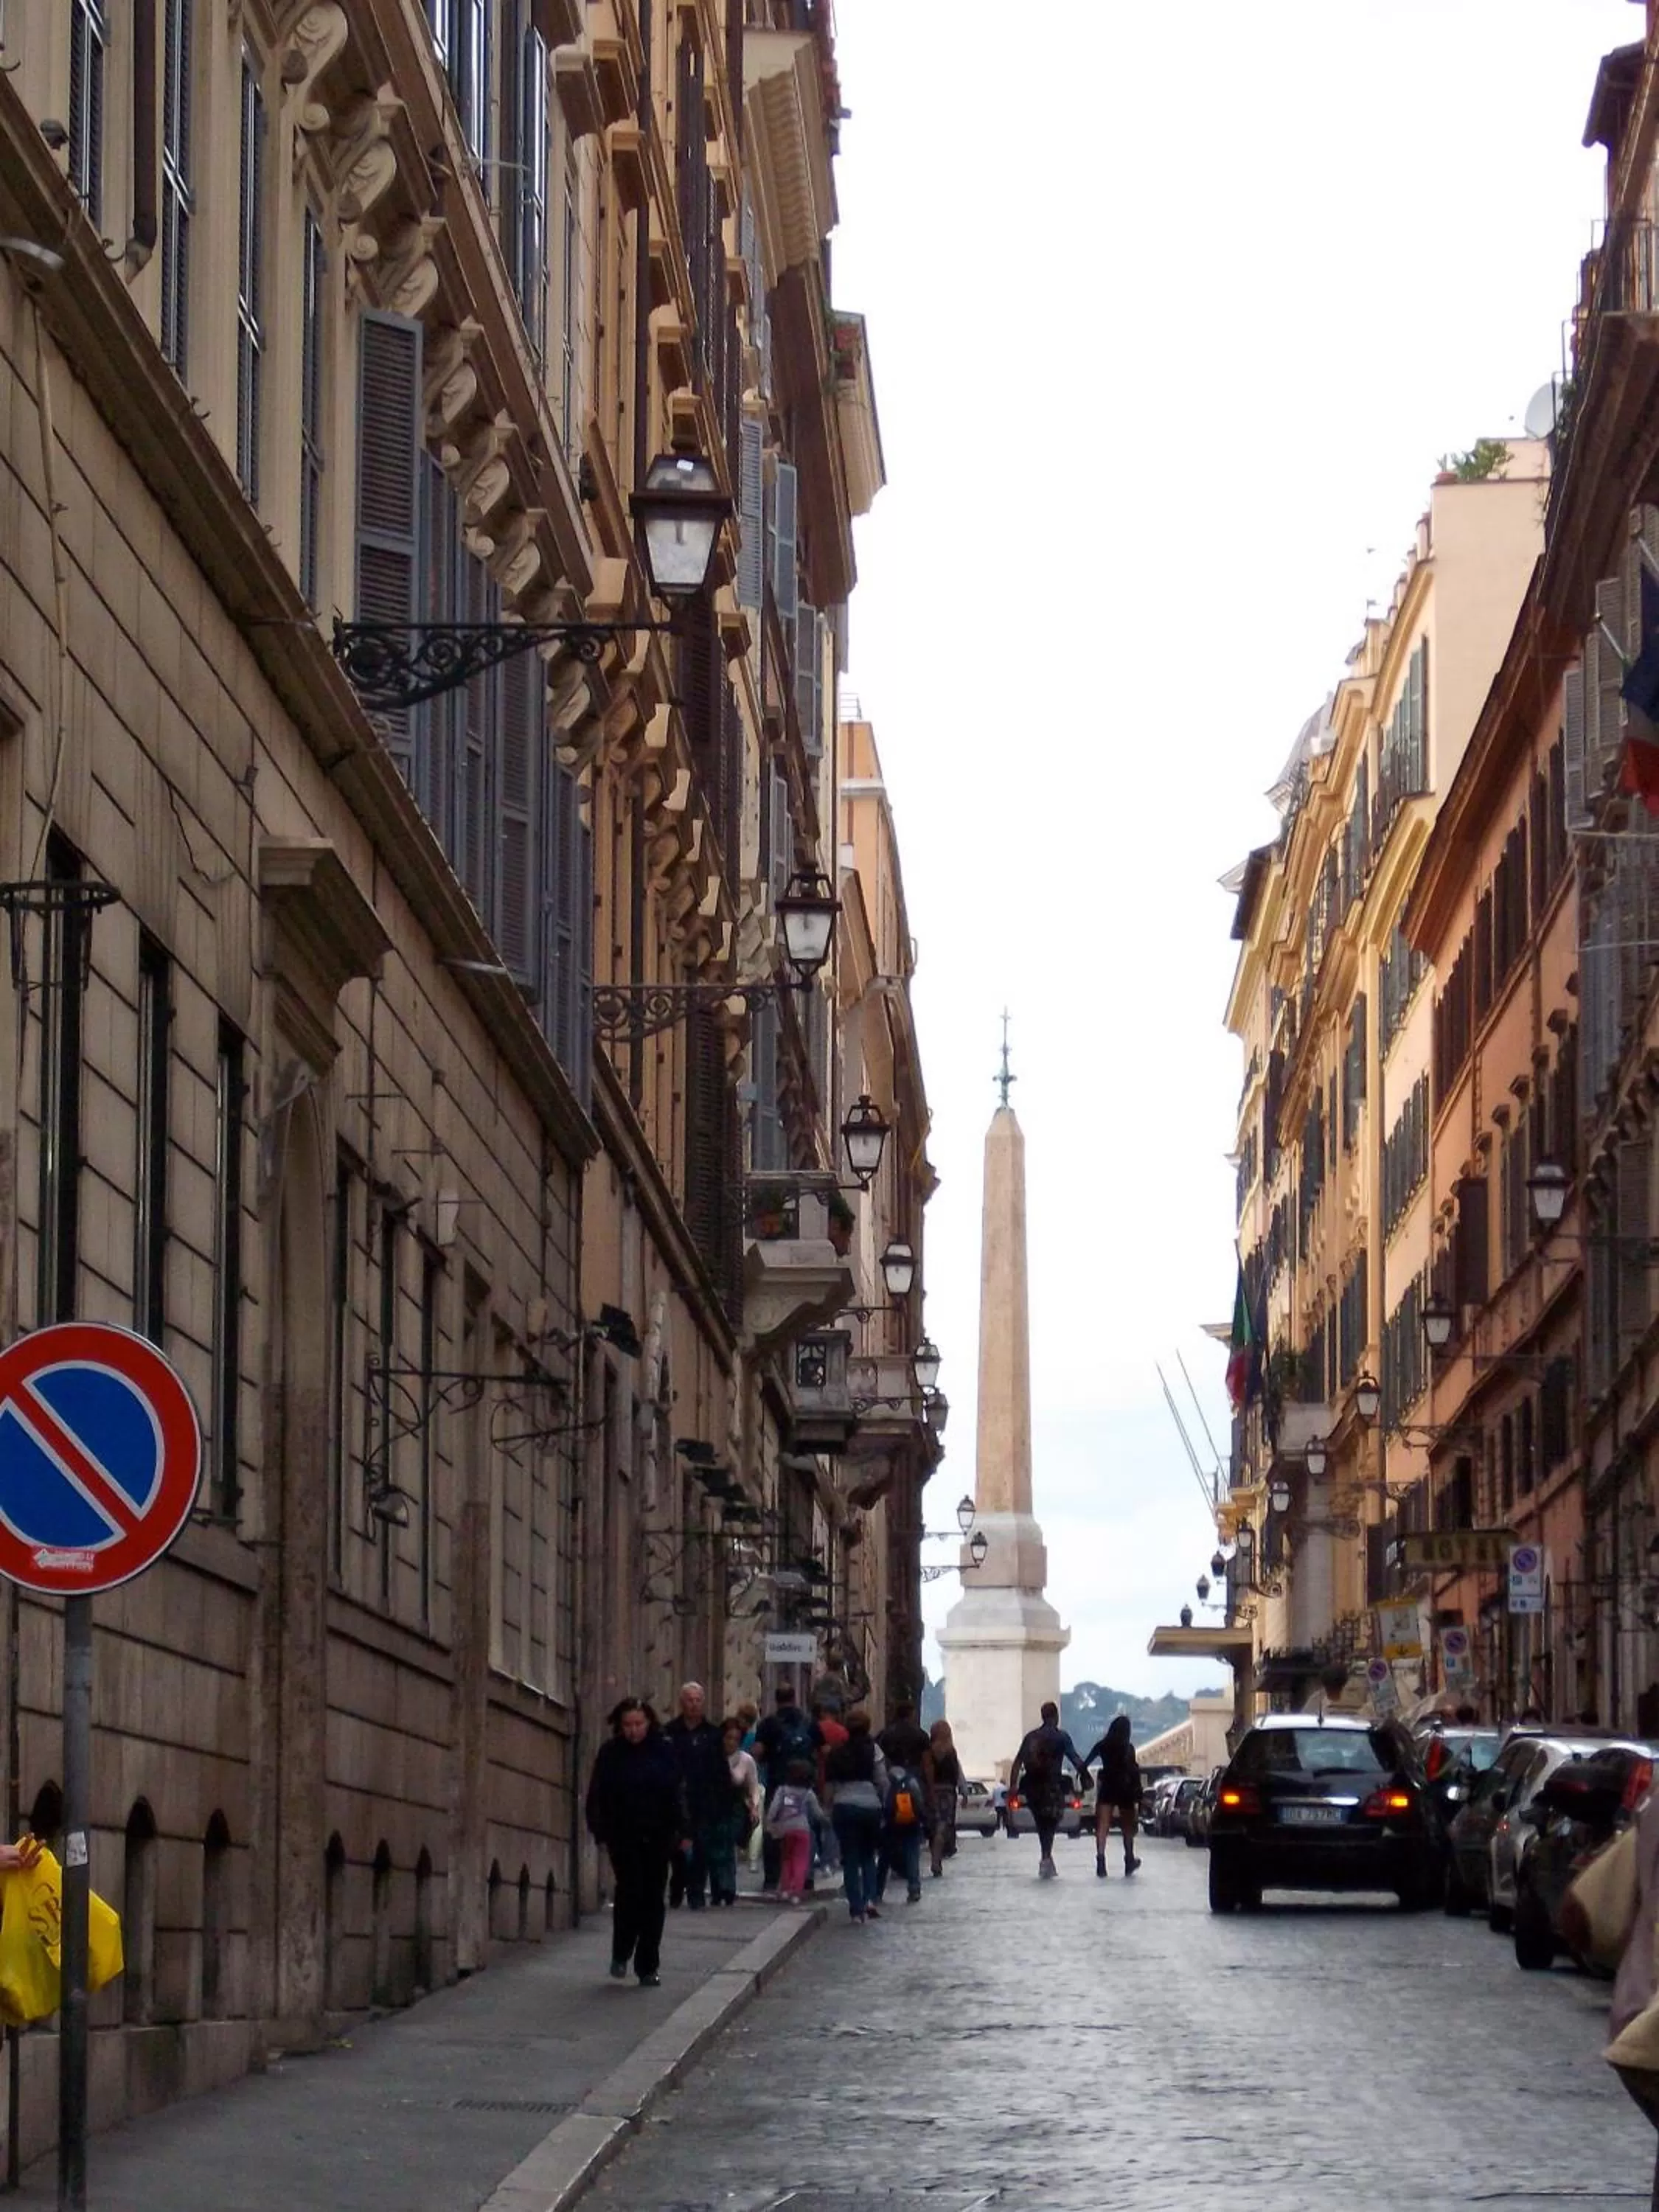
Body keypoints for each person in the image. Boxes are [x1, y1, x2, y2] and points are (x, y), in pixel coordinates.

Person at [584, 1698, 686, 1986]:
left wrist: (682, 1829)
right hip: (623, 1834)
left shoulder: (664, 1750)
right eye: (628, 1725)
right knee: (629, 1893)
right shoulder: (611, 1753)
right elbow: (598, 1794)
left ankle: (648, 1965)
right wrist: (600, 1830)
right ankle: (622, 1950)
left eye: (638, 1724)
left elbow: (677, 1792)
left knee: (653, 1898)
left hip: (658, 1834)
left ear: (648, 1722)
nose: (633, 1731)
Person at [663, 1682, 733, 1910]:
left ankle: (696, 1893)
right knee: (677, 1849)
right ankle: (677, 1887)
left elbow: (721, 1770)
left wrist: (723, 1801)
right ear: (681, 1703)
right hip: (676, 1800)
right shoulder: (669, 1733)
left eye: (697, 1700)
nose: (693, 1705)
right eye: (689, 1700)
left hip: (705, 1800)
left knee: (701, 1848)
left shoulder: (712, 1734)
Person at [823, 1706, 889, 1924]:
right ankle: (870, 1898)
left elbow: (829, 1785)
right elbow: (882, 1780)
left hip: (844, 1805)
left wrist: (828, 1808)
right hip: (870, 1806)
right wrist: (883, 1802)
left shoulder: (837, 1752)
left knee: (850, 1858)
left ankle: (856, 1908)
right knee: (869, 1855)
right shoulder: (875, 1750)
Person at [754, 1686, 820, 1898]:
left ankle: (772, 1878)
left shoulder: (768, 1724)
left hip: (778, 1784)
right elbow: (823, 1751)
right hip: (804, 1786)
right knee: (805, 1831)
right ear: (795, 1697)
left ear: (776, 1699)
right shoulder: (808, 1722)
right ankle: (805, 1877)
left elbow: (758, 1752)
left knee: (774, 1829)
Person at [1009, 1700, 1087, 1877]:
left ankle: (1046, 1857)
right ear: (1056, 1716)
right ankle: (1046, 1858)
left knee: (1041, 1821)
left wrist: (1013, 1785)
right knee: (1051, 1821)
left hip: (1032, 1786)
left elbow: (1018, 1762)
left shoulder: (1030, 1737)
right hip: (1052, 1785)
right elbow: (1075, 1758)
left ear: (1043, 1716)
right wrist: (1085, 1775)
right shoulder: (1062, 1737)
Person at [706, 1717, 761, 1907]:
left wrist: (754, 1807)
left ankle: (728, 1888)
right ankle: (717, 1888)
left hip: (735, 1807)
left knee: (727, 1845)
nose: (731, 1742)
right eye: (728, 1738)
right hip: (714, 1806)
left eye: (736, 1739)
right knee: (714, 1848)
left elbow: (753, 1786)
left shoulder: (746, 1760)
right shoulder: (712, 1758)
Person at [1082, 1712, 1142, 1879]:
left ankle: (1101, 1861)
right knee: (1127, 1826)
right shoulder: (1128, 1748)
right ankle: (1129, 1859)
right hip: (1125, 1789)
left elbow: (1085, 1764)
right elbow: (1133, 1770)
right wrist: (1138, 1792)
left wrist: (1085, 1777)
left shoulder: (1102, 1745)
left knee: (1102, 1826)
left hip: (1107, 1786)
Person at [765, 1758, 824, 1904]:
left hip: (784, 1829)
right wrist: (827, 1820)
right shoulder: (808, 1793)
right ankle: (796, 1892)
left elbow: (773, 1809)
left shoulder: (782, 1790)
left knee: (786, 1859)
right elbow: (818, 1814)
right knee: (801, 1860)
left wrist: (769, 1823)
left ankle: (785, 1890)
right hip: (802, 1830)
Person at [926, 1719, 961, 1877]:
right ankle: (936, 1860)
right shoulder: (951, 1751)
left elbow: (928, 1772)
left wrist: (930, 1791)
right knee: (943, 1825)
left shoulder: (930, 1751)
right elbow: (957, 1773)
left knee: (934, 1826)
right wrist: (963, 1791)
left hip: (934, 1790)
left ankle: (936, 1858)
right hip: (948, 1792)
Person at [877, 1701, 933, 1777]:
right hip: (914, 1774)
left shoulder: (885, 1734)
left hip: (891, 1774)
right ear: (912, 1715)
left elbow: (879, 1757)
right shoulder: (921, 1735)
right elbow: (927, 1762)